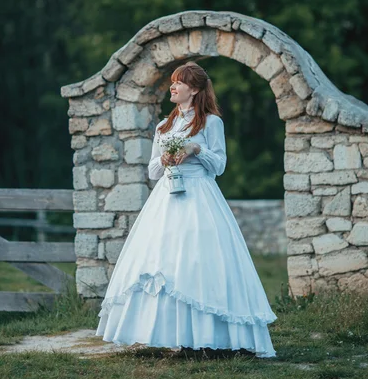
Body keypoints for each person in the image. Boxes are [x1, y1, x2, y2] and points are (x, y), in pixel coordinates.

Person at [95, 61, 277, 358]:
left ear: (194, 89)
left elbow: (219, 166)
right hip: (166, 199)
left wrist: (196, 149)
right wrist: (164, 158)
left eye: (179, 83)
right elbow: (152, 170)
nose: (173, 87)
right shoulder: (163, 126)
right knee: (164, 263)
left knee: (197, 262)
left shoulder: (211, 123)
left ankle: (208, 338)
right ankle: (173, 336)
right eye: (173, 82)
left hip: (200, 197)